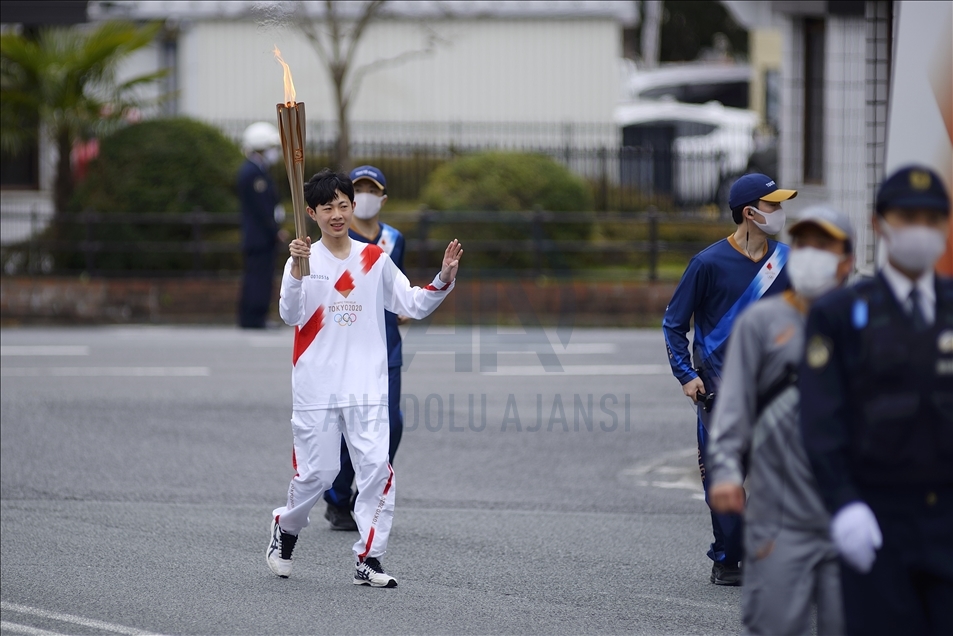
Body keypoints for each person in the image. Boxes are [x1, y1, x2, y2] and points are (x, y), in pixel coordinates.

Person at [266, 169, 463, 588]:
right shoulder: (302, 260)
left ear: (352, 208)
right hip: (317, 384)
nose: (337, 215)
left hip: (366, 386)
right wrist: (299, 271)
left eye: (343, 205)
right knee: (316, 476)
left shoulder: (373, 259)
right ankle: (286, 527)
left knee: (376, 469)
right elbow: (289, 315)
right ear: (312, 213)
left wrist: (443, 278)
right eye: (327, 208)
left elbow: (411, 302)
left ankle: (369, 558)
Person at [800, 165, 952, 635]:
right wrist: (843, 503)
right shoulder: (840, 314)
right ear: (879, 223)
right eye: (908, 217)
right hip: (876, 517)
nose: (920, 230)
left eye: (932, 219)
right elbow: (822, 417)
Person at [707, 205, 854, 634]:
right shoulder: (762, 323)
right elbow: (732, 408)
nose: (811, 254)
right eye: (805, 244)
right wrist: (728, 472)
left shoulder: (866, 323)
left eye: (824, 246)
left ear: (847, 259)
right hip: (777, 517)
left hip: (849, 512)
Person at [662, 173, 797, 585]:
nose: (779, 212)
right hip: (720, 392)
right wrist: (686, 376)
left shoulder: (789, 263)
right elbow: (674, 323)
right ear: (749, 212)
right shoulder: (707, 264)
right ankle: (728, 558)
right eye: (771, 205)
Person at [323, 165, 407, 531]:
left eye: (373, 190)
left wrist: (402, 306)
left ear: (383, 198)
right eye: (360, 190)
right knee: (346, 426)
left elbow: (395, 285)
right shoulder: (340, 239)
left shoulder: (394, 239)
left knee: (392, 423)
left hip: (386, 345)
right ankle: (338, 499)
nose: (366, 197)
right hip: (348, 347)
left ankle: (366, 493)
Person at [237, 122, 286, 329]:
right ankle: (254, 318)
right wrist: (275, 231)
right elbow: (262, 209)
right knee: (258, 278)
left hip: (259, 236)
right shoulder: (253, 173)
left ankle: (254, 316)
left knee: (259, 277)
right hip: (260, 237)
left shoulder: (257, 170)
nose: (274, 152)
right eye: (270, 147)